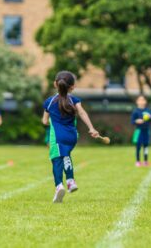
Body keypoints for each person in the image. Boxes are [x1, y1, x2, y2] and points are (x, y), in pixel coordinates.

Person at [42, 71, 99, 203]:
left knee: (56, 159)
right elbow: (82, 112)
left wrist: (50, 120)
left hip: (58, 137)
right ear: (72, 87)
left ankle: (59, 186)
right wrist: (91, 128)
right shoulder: (74, 100)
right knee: (66, 155)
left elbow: (45, 121)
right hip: (72, 136)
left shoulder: (49, 102)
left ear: (55, 84)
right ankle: (70, 181)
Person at [131, 95, 151, 167]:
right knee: (138, 146)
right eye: (140, 100)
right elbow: (132, 122)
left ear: (145, 101)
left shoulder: (148, 111)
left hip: (146, 131)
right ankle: (138, 161)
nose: (141, 101)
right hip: (139, 131)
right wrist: (136, 121)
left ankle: (145, 161)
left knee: (146, 146)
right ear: (137, 102)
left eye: (143, 100)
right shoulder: (135, 111)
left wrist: (149, 117)